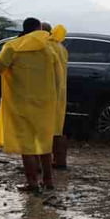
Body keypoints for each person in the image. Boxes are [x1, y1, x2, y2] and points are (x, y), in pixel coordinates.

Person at [0, 17, 59, 193]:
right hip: (45, 103)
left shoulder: (13, 47)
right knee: (44, 143)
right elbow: (58, 75)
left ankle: (32, 183)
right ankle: (48, 181)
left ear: (24, 30)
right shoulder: (50, 48)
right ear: (39, 29)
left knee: (27, 145)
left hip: (21, 103)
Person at [43, 22, 69, 171]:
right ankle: (60, 160)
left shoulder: (45, 47)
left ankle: (41, 164)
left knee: (43, 128)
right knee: (57, 126)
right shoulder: (61, 47)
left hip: (47, 91)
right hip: (61, 91)